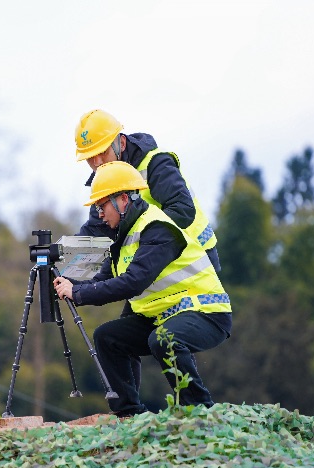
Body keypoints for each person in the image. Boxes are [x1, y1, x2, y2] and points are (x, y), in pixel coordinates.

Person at [53, 161, 231, 417]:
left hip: (206, 312)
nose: (99, 214)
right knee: (108, 337)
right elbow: (103, 279)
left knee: (163, 340)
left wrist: (78, 293)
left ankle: (200, 413)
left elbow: (133, 282)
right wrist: (70, 285)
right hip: (164, 316)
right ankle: (129, 416)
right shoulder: (124, 235)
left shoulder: (157, 227)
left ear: (123, 199)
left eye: (102, 205)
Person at [74, 108, 221, 272]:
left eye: (103, 152)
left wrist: (138, 242)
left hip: (195, 259)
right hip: (155, 265)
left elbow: (182, 210)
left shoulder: (156, 164)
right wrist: (58, 256)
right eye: (90, 157)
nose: (98, 162)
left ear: (121, 143)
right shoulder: (104, 182)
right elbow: (97, 231)